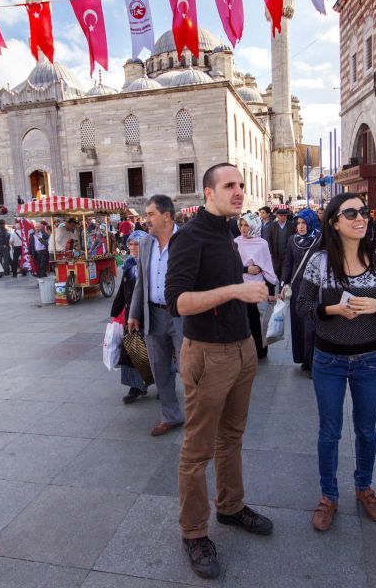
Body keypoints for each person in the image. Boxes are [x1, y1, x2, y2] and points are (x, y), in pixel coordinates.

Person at [165, 163, 273, 580]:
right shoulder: (190, 236)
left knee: (232, 436)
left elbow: (219, 281)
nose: (240, 191)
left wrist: (246, 278)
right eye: (230, 185)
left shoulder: (228, 232)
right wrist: (235, 290)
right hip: (208, 354)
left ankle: (230, 507)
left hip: (242, 348)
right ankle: (193, 531)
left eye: (242, 185)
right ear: (207, 193)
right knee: (197, 450)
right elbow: (177, 301)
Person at [296, 192, 376, 532]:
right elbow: (303, 306)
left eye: (364, 212)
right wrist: (333, 310)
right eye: (351, 212)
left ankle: (364, 488)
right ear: (335, 222)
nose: (361, 218)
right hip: (328, 359)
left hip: (371, 359)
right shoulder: (320, 262)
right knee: (329, 432)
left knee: (366, 431)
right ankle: (328, 495)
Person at [128, 195, 185, 436]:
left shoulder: (187, 240)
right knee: (159, 368)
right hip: (153, 314)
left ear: (167, 216)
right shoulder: (146, 243)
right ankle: (171, 416)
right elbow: (142, 280)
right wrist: (134, 313)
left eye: (151, 214)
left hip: (182, 315)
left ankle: (200, 416)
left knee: (189, 368)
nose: (146, 219)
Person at [280, 208, 322, 371]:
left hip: (314, 288)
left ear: (311, 222)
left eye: (304, 223)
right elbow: (288, 263)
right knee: (299, 325)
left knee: (311, 326)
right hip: (297, 288)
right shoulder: (292, 240)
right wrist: (283, 283)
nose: (301, 226)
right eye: (298, 223)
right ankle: (304, 359)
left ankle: (314, 364)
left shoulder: (319, 238)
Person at [113, 231, 151, 403]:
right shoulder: (128, 265)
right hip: (131, 316)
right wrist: (115, 312)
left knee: (154, 352)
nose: (133, 247)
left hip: (150, 315)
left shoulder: (151, 265)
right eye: (131, 244)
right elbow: (122, 290)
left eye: (137, 243)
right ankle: (136, 386)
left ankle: (165, 382)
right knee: (132, 351)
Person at [235, 212, 278, 359]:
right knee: (242, 321)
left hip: (257, 289)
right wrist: (246, 269)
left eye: (246, 225)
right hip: (240, 288)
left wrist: (271, 292)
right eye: (241, 225)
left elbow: (267, 268)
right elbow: (229, 266)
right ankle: (245, 351)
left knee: (258, 322)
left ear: (254, 225)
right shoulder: (235, 242)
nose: (243, 228)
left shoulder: (262, 244)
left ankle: (260, 350)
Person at [264, 207, 293, 278]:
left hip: (287, 254)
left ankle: (283, 285)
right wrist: (270, 252)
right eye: (281, 215)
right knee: (278, 272)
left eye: (285, 215)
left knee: (286, 273)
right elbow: (269, 240)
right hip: (276, 254)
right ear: (277, 216)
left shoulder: (291, 225)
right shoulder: (272, 226)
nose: (283, 217)